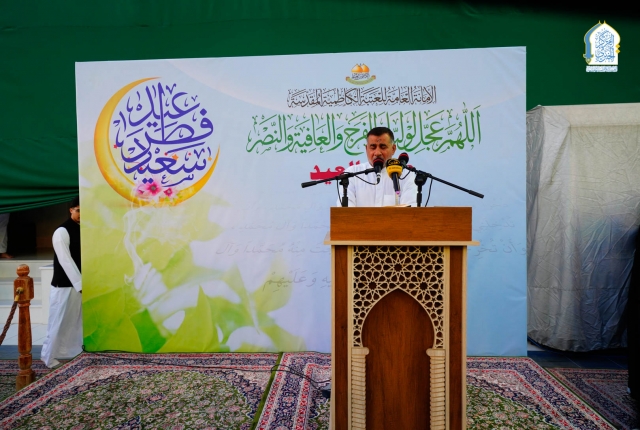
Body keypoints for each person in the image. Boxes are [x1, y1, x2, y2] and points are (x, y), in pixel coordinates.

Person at [41, 196, 82, 368]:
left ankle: (70, 352)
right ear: (71, 210)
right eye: (78, 210)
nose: (81, 215)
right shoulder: (61, 231)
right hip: (64, 285)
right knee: (57, 322)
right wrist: (79, 284)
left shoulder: (83, 229)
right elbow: (65, 261)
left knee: (74, 321)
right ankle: (48, 357)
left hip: (78, 285)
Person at [337, 127, 417, 207]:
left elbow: (410, 210)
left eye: (383, 147)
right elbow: (345, 212)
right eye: (373, 147)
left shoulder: (406, 175)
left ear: (393, 149)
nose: (377, 153)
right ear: (366, 149)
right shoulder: (352, 174)